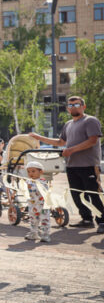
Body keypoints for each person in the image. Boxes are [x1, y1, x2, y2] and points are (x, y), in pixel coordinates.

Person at [30, 96, 103, 233]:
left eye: (76, 104)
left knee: (94, 194)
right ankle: (86, 219)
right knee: (77, 195)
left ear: (83, 106)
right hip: (72, 166)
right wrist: (39, 137)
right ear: (67, 109)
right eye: (70, 105)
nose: (73, 107)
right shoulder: (68, 124)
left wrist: (71, 150)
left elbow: (92, 140)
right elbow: (60, 142)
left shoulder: (90, 121)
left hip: (89, 165)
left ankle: (102, 221)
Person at [23, 161, 51, 242]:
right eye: (28, 172)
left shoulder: (43, 181)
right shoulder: (28, 181)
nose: (30, 173)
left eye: (33, 171)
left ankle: (45, 235)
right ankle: (33, 233)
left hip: (42, 206)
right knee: (33, 220)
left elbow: (41, 190)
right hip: (32, 205)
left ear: (40, 171)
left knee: (45, 220)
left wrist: (30, 187)